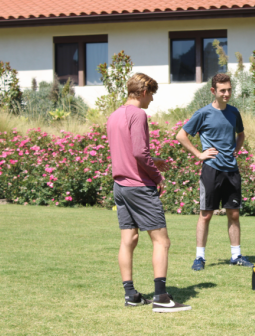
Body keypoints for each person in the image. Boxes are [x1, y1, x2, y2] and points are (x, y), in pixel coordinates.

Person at [107, 73, 191, 312]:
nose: (152, 100)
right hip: (139, 187)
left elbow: (126, 151)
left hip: (120, 187)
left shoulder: (113, 116)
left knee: (128, 240)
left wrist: (152, 160)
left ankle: (130, 295)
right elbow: (139, 153)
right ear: (144, 92)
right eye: (152, 94)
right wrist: (157, 176)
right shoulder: (138, 115)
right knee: (162, 241)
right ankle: (161, 298)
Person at [176, 73, 253, 271]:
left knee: (233, 214)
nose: (227, 94)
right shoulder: (203, 113)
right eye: (222, 90)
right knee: (206, 215)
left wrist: (236, 150)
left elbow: (241, 134)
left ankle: (236, 256)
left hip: (232, 170)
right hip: (211, 170)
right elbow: (181, 135)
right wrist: (199, 154)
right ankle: (199, 258)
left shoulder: (234, 112)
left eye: (229, 90)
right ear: (213, 91)